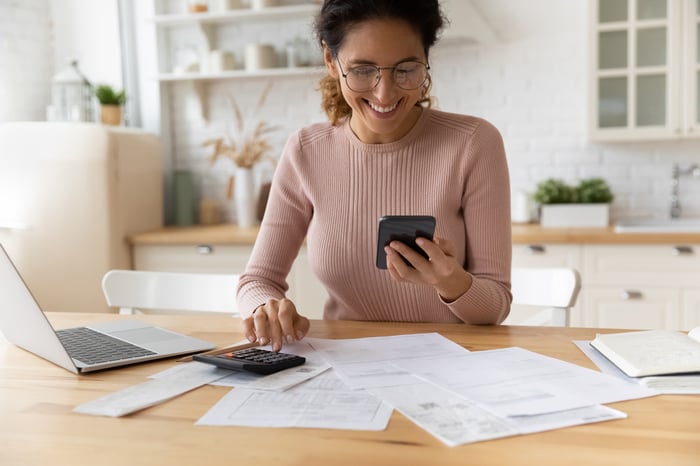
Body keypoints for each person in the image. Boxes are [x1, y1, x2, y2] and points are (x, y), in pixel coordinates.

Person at [237, 0, 512, 351]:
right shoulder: (306, 150)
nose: (385, 93)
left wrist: (451, 280)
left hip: (451, 364)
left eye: (405, 69)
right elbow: (257, 280)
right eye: (363, 70)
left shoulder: (473, 143)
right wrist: (265, 307)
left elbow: (495, 305)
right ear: (330, 61)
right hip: (347, 364)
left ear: (426, 60)